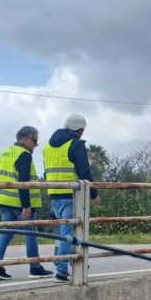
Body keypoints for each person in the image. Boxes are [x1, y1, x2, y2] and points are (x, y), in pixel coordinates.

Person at [0, 126, 53, 280]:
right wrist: (27, 206)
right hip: (19, 202)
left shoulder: (6, 152)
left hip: (3, 200)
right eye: (34, 140)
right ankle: (35, 267)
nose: (36, 145)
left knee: (5, 233)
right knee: (31, 234)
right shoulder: (24, 155)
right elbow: (23, 182)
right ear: (25, 139)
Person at [44, 114, 98, 282]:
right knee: (70, 231)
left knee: (64, 231)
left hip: (54, 194)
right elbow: (84, 172)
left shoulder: (48, 147)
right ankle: (61, 269)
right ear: (80, 130)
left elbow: (46, 172)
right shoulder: (76, 144)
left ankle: (77, 260)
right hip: (72, 194)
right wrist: (94, 194)